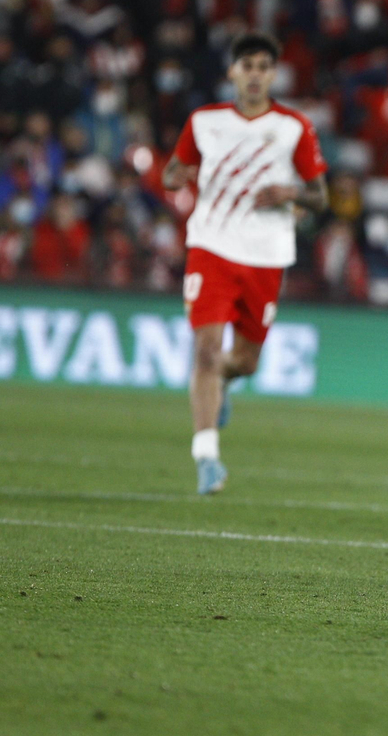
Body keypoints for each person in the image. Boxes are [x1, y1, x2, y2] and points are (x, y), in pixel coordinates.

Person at [161, 34, 328, 494]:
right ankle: (207, 457)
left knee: (247, 362)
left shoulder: (294, 126)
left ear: (272, 75)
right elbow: (173, 171)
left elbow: (320, 197)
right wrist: (177, 175)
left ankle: (224, 386)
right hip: (210, 246)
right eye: (246, 66)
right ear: (232, 71)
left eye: (262, 67)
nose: (254, 74)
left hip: (267, 254)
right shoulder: (205, 121)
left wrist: (290, 192)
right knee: (206, 351)